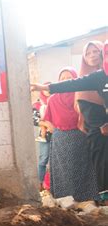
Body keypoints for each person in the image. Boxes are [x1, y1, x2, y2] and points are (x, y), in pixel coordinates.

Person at [31, 41, 108, 205]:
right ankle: (83, 201)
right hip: (91, 134)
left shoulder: (101, 77)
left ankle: (91, 198)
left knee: (86, 169)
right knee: (93, 166)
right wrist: (45, 87)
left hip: (83, 136)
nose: (93, 55)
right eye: (88, 53)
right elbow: (46, 118)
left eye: (97, 52)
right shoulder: (92, 79)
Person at [37, 67, 99, 203]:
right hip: (60, 139)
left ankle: (85, 198)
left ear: (75, 79)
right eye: (62, 79)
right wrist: (56, 129)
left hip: (80, 136)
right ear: (58, 82)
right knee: (62, 168)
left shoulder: (82, 95)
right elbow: (47, 119)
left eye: (69, 78)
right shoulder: (52, 99)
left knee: (82, 167)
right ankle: (63, 198)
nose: (66, 81)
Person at [32, 87, 52, 191]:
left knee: (55, 161)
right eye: (45, 89)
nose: (47, 91)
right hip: (45, 137)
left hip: (58, 134)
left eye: (49, 88)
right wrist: (45, 123)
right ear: (41, 91)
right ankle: (40, 184)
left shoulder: (56, 100)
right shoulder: (37, 104)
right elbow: (34, 119)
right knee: (43, 160)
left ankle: (52, 185)